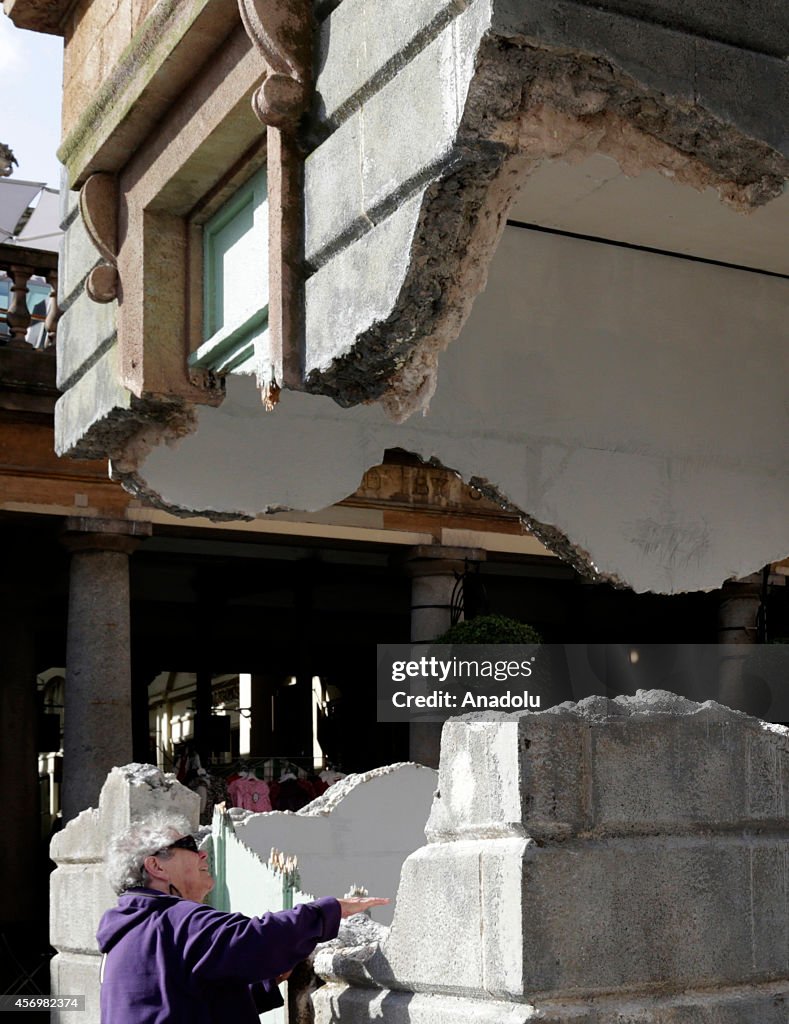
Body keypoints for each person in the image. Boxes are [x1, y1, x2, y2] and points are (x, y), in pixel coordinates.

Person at [97, 812, 388, 1023]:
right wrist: (329, 912)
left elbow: (181, 1000)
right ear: (156, 866)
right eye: (189, 844)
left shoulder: (129, 929)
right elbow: (254, 938)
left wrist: (264, 983)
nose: (202, 854)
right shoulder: (173, 920)